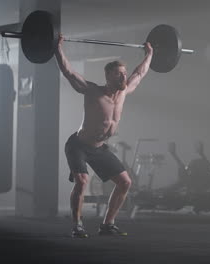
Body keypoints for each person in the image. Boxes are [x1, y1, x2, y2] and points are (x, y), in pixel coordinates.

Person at [55, 34, 153, 238]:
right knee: (82, 181)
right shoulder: (93, 91)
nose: (123, 77)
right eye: (118, 74)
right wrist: (57, 47)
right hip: (79, 145)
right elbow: (69, 72)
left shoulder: (124, 92)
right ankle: (77, 225)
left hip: (99, 148)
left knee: (125, 182)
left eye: (124, 73)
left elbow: (140, 73)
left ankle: (107, 224)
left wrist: (149, 53)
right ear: (108, 76)